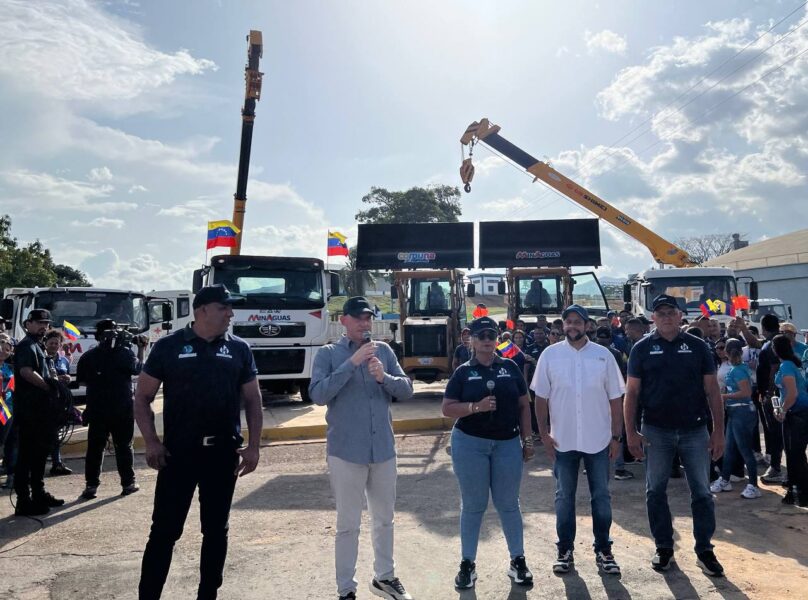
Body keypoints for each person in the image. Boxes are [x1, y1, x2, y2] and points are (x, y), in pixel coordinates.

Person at [134, 285, 262, 600]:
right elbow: (143, 397)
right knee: (164, 531)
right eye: (224, 307)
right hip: (178, 454)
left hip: (222, 454)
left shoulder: (239, 348)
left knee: (216, 531)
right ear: (202, 310)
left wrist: (254, 446)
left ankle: (208, 595)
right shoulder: (168, 346)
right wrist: (151, 442)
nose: (231, 314)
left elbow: (253, 399)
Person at [310, 296, 415, 600]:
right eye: (358, 318)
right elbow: (318, 394)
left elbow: (406, 389)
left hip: (382, 450)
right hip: (346, 452)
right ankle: (346, 589)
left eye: (368, 318)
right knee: (348, 524)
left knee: (385, 520)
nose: (364, 323)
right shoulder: (328, 354)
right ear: (343, 320)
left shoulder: (383, 351)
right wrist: (352, 363)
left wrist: (384, 378)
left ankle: (385, 578)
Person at [624, 294, 725, 577]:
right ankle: (664, 547)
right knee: (655, 491)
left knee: (702, 492)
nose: (666, 317)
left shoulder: (698, 346)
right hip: (656, 430)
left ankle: (704, 550)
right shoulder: (642, 349)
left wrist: (718, 432)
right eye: (661, 313)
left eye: (671, 312)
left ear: (680, 316)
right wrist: (630, 432)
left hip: (695, 430)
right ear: (653, 318)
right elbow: (631, 393)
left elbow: (713, 391)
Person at [532, 305, 626, 575]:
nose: (572, 326)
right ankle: (565, 550)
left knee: (601, 496)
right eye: (568, 322)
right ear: (563, 326)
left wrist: (616, 436)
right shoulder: (550, 355)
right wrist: (544, 434)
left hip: (599, 439)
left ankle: (604, 550)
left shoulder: (603, 356)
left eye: (577, 322)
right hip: (563, 440)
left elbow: (615, 399)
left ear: (587, 326)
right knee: (564, 497)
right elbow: (540, 398)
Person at [442, 316, 534, 589]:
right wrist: (475, 407)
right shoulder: (463, 372)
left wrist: (528, 441)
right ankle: (467, 563)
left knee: (509, 504)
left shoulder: (510, 367)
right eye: (481, 336)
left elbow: (524, 406)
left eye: (491, 336)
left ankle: (518, 560)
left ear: (497, 340)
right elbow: (447, 408)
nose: (486, 340)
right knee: (473, 505)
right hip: (470, 444)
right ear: (471, 339)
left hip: (507, 443)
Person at [77, 319, 145, 499]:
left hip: (97, 408)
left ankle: (91, 486)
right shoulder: (125, 353)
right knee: (124, 446)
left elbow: (82, 381)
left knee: (95, 448)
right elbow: (138, 369)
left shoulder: (88, 356)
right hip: (122, 408)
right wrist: (141, 349)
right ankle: (128, 483)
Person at [13, 309, 65, 516]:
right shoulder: (27, 346)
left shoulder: (38, 345)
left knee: (39, 455)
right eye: (39, 323)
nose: (43, 326)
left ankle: (38, 493)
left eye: (46, 323)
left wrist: (55, 383)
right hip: (30, 411)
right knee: (27, 456)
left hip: (41, 411)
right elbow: (26, 372)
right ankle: (24, 500)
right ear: (28, 324)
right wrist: (47, 386)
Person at [710, 339, 761, 499]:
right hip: (735, 412)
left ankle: (753, 485)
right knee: (729, 448)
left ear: (727, 351)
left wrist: (723, 397)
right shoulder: (738, 368)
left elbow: (746, 392)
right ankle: (725, 479)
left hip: (742, 412)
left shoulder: (738, 370)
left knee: (745, 450)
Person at [736, 314, 784, 483]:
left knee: (776, 432)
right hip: (771, 394)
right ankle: (776, 466)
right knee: (774, 430)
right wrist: (743, 328)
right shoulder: (771, 341)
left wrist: (769, 392)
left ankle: (776, 468)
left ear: (763, 328)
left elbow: (774, 368)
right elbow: (755, 343)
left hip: (773, 395)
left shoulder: (774, 343)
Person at [771, 334, 808, 507]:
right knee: (796, 455)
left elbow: (792, 393)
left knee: (795, 455)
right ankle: (796, 491)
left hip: (796, 413)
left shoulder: (786, 366)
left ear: (775, 349)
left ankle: (801, 493)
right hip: (799, 412)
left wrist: (783, 410)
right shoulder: (793, 363)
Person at [42, 329, 72, 476]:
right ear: (46, 343)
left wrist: (67, 378)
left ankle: (57, 463)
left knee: (56, 434)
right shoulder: (41, 358)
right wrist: (56, 380)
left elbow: (68, 376)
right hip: (43, 401)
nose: (54, 346)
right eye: (51, 343)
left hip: (59, 402)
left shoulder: (63, 360)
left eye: (56, 343)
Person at [1, 335, 16, 489]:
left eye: (7, 349)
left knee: (11, 443)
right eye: (1, 348)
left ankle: (11, 476)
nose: (3, 352)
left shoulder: (10, 368)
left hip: (8, 409)